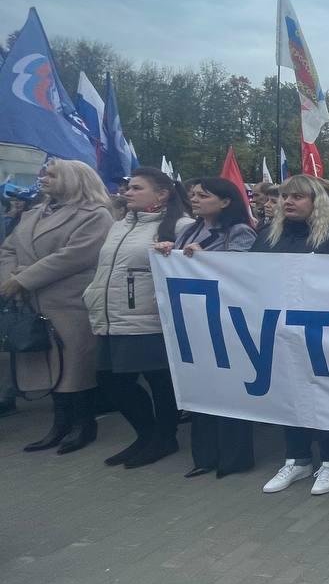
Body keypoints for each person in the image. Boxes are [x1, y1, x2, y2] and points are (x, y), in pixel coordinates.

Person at [255, 175, 329, 495]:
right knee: (290, 395)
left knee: (325, 395)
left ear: (317, 202)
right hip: (280, 330)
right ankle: (298, 459)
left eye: (298, 197)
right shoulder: (266, 238)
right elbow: (242, 278)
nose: (288, 201)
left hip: (324, 333)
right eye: (285, 196)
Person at [0, 160, 113, 453]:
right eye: (44, 173)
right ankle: (59, 425)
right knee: (51, 369)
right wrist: (9, 277)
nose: (43, 178)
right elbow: (8, 248)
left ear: (74, 179)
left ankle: (84, 425)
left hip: (69, 304)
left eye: (51, 174)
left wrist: (23, 279)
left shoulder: (96, 215)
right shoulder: (34, 212)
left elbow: (75, 255)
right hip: (31, 301)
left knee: (75, 367)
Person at [84, 167, 193, 468]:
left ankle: (164, 437)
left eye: (135, 188)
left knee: (159, 381)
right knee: (110, 380)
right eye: (126, 187)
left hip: (147, 317)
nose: (127, 192)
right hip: (110, 316)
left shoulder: (181, 225)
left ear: (162, 194)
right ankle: (146, 435)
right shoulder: (119, 225)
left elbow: (194, 268)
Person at [155, 177, 258, 478]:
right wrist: (167, 253)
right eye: (193, 195)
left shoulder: (239, 232)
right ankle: (205, 456)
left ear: (226, 201)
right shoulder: (189, 230)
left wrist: (208, 258)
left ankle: (235, 458)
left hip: (228, 321)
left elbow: (243, 270)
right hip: (196, 320)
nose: (196, 199)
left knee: (230, 390)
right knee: (203, 387)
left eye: (204, 195)